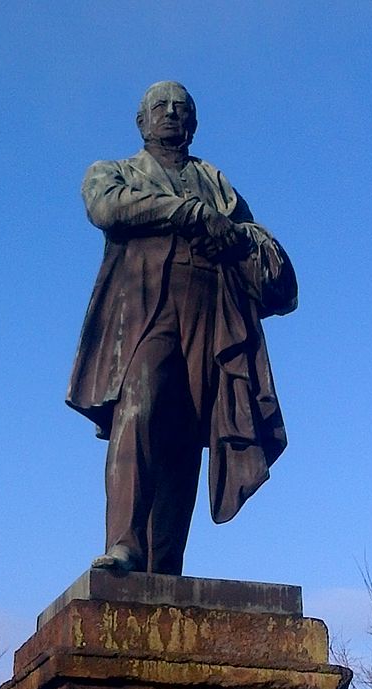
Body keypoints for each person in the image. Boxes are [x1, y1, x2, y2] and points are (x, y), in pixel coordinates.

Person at [66, 81, 297, 575]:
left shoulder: (215, 182)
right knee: (140, 406)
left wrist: (232, 234)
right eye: (160, 107)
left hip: (212, 312)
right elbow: (106, 207)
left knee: (184, 433)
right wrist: (185, 212)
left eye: (181, 108)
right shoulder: (115, 172)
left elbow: (255, 237)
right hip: (149, 304)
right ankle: (124, 544)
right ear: (142, 121)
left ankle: (165, 560)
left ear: (192, 123)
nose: (170, 113)